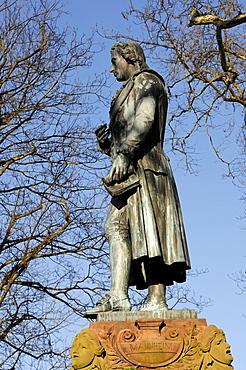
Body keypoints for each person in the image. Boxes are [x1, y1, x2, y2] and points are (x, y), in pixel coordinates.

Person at [84, 41, 190, 317]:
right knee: (116, 226)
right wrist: (110, 146)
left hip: (147, 170)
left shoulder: (146, 82)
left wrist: (125, 152)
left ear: (129, 58)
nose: (111, 68)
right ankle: (118, 295)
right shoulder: (127, 89)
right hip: (128, 172)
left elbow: (145, 121)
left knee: (151, 233)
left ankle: (157, 298)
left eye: (114, 61)